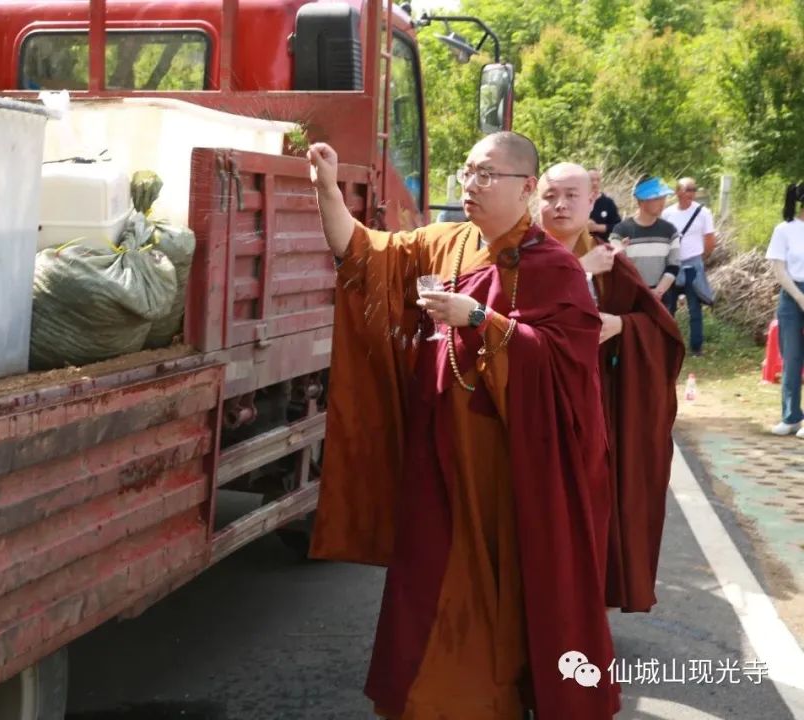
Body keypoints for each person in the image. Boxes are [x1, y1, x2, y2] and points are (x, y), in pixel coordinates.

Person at [307, 134, 619, 720]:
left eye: (486, 175)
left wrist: (481, 318)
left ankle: (504, 697)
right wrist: (327, 190)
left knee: (508, 591)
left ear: (526, 188)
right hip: (439, 453)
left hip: (507, 468)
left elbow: (566, 364)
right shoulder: (443, 243)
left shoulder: (553, 267)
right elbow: (363, 254)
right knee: (429, 583)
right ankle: (434, 701)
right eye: (467, 172)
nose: (469, 185)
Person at [539, 163, 685, 613]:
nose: (559, 205)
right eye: (550, 195)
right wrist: (578, 270)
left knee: (590, 509)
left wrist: (621, 324)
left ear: (592, 202)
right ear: (533, 197)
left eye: (571, 196)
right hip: (534, 406)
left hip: (594, 407)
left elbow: (662, 333)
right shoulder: (517, 256)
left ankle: (580, 608)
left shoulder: (611, 261)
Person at [662, 178, 717, 356]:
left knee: (695, 308)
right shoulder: (668, 213)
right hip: (672, 264)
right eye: (687, 189)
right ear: (678, 192)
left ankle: (696, 347)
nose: (691, 193)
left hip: (693, 264)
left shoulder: (703, 213)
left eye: (693, 190)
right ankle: (668, 345)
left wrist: (701, 258)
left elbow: (709, 239)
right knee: (669, 308)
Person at [766, 183, 804, 437]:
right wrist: (800, 298)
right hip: (792, 295)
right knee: (791, 357)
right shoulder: (785, 230)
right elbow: (780, 270)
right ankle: (791, 416)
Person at [608, 175, 680, 299]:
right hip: (630, 299)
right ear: (641, 201)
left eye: (663, 197)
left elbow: (673, 265)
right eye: (656, 198)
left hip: (662, 299)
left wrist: (658, 292)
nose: (662, 202)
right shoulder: (621, 230)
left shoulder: (670, 230)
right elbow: (617, 266)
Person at [587, 168, 622, 243]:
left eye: (598, 180)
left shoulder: (608, 203)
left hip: (602, 247)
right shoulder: (578, 201)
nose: (595, 183)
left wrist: (597, 228)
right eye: (592, 180)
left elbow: (618, 227)